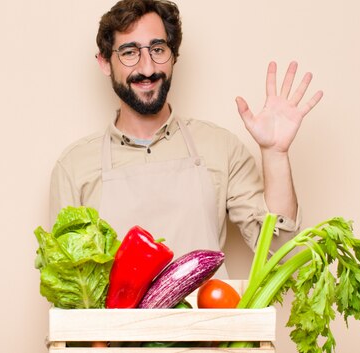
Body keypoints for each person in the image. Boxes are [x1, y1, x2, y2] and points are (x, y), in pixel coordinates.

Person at [50, 0, 322, 278]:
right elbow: (69, 290)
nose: (147, 68)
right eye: (129, 52)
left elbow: (282, 254)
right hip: (114, 325)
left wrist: (275, 154)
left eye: (158, 50)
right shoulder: (74, 167)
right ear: (105, 62)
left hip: (207, 322)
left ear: (173, 55)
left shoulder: (221, 148)